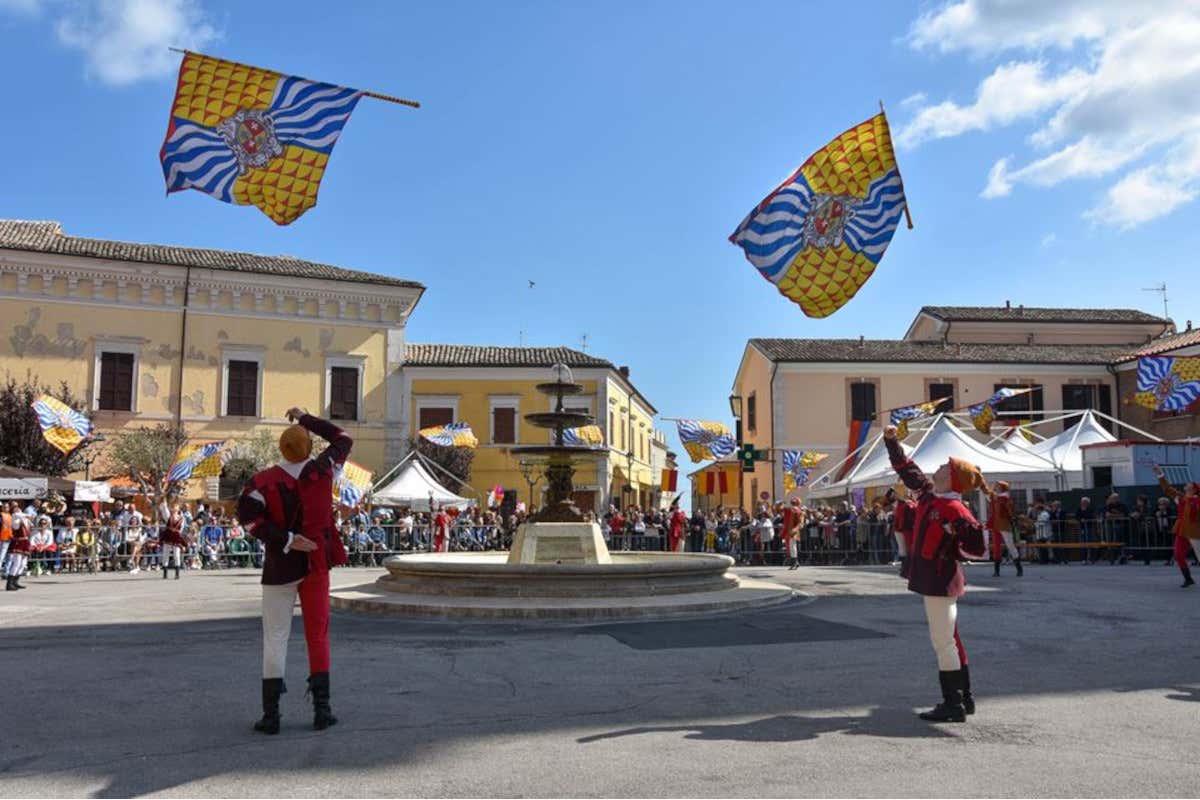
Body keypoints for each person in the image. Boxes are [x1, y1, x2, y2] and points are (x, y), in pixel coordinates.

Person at [237, 408, 351, 735]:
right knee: (318, 635)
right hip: (316, 561)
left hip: (280, 564)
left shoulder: (261, 482)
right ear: (309, 446)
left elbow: (250, 521)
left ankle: (271, 716)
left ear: (281, 449)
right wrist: (304, 417)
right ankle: (322, 711)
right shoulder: (325, 469)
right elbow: (342, 437)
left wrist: (286, 539)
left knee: (275, 636)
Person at [884, 424, 987, 723]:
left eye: (945, 466)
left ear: (951, 476)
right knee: (949, 638)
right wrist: (891, 441)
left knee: (942, 640)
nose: (939, 466)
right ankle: (964, 699)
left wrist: (954, 536)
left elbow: (977, 548)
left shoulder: (955, 508)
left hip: (941, 580)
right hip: (934, 578)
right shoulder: (932, 495)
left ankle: (952, 704)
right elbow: (906, 468)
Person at [1152, 465, 1200, 588]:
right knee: (1178, 555)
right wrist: (1160, 474)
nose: (1187, 484)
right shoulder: (1181, 498)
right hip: (1182, 530)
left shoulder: (1197, 500)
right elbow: (1167, 488)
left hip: (1196, 531)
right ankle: (1188, 578)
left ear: (1194, 489)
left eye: (1190, 484)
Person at [987, 481, 1022, 577]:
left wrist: (1013, 519)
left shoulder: (1005, 499)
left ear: (1002, 488)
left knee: (1010, 545)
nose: (995, 487)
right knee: (996, 548)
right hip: (995, 524)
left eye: (997, 486)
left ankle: (1019, 568)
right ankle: (996, 571)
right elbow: (987, 492)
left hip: (1004, 524)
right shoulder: (996, 498)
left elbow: (1011, 511)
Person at [158, 502, 186, 580]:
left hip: (176, 537)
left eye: (175, 508)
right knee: (165, 554)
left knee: (176, 555)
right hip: (168, 536)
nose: (173, 509)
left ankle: (177, 573)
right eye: (172, 508)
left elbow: (181, 528)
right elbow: (164, 509)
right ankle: (165, 573)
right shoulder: (168, 517)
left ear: (178, 509)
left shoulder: (181, 518)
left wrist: (178, 537)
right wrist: (164, 501)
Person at [4, 515, 31, 590]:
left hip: (25, 543)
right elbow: (15, 517)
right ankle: (9, 584)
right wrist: (23, 515)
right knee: (16, 563)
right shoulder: (16, 521)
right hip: (18, 543)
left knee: (23, 564)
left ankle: (15, 582)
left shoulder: (26, 521)